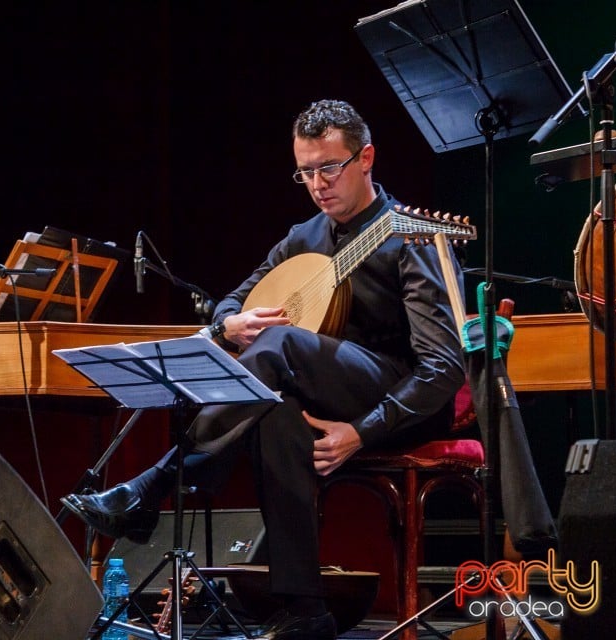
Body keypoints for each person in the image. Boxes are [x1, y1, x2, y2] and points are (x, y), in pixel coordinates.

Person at [61, 100, 466, 640]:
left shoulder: (409, 236)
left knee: (281, 345)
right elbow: (231, 301)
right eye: (305, 171)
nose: (317, 184)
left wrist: (360, 432)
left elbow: (443, 366)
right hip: (314, 389)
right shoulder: (304, 238)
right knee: (277, 415)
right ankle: (305, 609)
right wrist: (231, 324)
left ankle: (157, 481)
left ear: (366, 158)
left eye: (329, 167)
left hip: (395, 396)